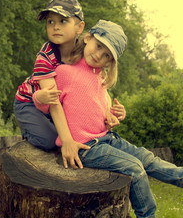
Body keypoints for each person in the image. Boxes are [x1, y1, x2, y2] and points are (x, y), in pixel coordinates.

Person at [34, 19, 183, 218]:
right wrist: (39, 97)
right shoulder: (64, 72)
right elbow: (48, 105)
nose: (98, 56)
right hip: (87, 147)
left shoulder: (99, 77)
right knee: (135, 169)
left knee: (149, 160)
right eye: (99, 47)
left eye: (106, 56)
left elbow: (100, 109)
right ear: (88, 38)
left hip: (109, 139)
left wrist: (113, 115)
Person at [14, 0, 126, 166]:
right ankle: (31, 131)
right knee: (50, 141)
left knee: (71, 133)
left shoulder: (88, 50)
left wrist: (108, 111)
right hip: (31, 101)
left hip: (58, 105)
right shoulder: (45, 56)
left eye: (63, 21)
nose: (55, 27)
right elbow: (54, 102)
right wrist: (66, 141)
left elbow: (97, 86)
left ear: (80, 27)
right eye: (50, 22)